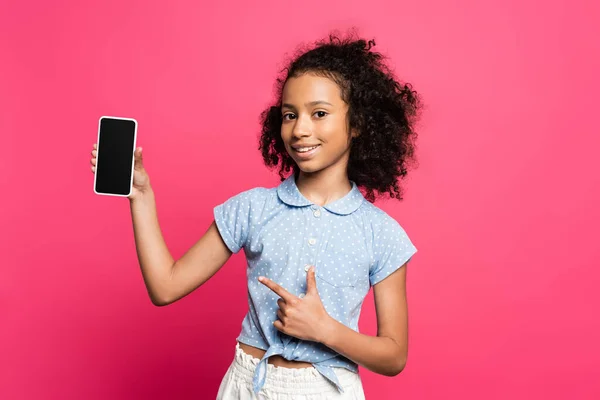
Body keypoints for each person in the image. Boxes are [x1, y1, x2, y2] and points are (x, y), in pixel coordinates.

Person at [90, 31, 421, 399]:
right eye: (290, 115)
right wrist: (141, 196)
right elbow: (165, 287)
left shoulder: (381, 233)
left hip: (329, 390)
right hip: (249, 384)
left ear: (357, 123)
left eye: (320, 113)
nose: (300, 129)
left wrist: (324, 329)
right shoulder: (252, 208)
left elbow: (394, 355)